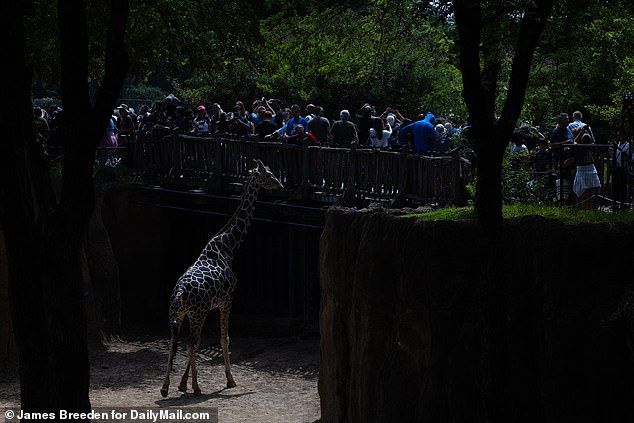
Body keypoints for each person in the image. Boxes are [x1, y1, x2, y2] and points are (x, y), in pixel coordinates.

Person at [567, 133, 601, 208]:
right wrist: (589, 131)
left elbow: (575, 142)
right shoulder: (592, 147)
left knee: (583, 191)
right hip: (590, 169)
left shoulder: (579, 147)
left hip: (583, 170)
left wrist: (580, 132)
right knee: (593, 189)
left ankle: (584, 206)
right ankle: (590, 206)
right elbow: (593, 141)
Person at [550, 113, 574, 203]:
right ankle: (560, 201)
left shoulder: (569, 130)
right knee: (561, 181)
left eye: (568, 119)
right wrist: (564, 143)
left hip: (570, 161)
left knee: (568, 181)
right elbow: (552, 145)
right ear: (560, 121)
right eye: (565, 119)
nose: (568, 120)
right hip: (560, 161)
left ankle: (568, 200)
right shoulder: (556, 131)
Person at [612, 130, 631, 209]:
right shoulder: (617, 144)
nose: (619, 137)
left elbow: (629, 158)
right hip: (616, 167)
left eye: (620, 135)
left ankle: (622, 204)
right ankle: (615, 203)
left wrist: (620, 151)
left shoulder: (628, 145)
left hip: (623, 168)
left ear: (624, 136)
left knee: (623, 186)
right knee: (615, 186)